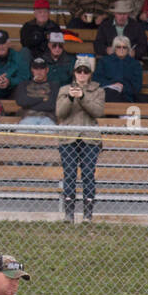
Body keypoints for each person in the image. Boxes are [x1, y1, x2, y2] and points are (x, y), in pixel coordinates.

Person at [56, 55, 106, 222]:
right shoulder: (64, 89)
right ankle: (69, 213)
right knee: (69, 174)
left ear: (90, 73)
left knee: (88, 175)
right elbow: (60, 113)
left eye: (85, 71)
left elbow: (98, 111)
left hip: (90, 138)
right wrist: (70, 98)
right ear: (74, 72)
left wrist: (82, 97)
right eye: (79, 71)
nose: (82, 74)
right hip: (68, 138)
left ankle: (87, 214)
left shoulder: (99, 90)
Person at [94, 36, 143, 102]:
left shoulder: (135, 64)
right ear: (114, 48)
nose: (121, 49)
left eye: (124, 47)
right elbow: (96, 80)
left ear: (128, 49)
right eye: (118, 47)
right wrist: (112, 84)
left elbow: (137, 86)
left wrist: (123, 87)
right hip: (107, 95)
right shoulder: (104, 61)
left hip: (127, 96)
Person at [15, 57, 60, 125]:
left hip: (47, 118)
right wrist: (42, 98)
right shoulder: (23, 84)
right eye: (36, 69)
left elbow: (51, 105)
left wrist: (29, 103)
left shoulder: (54, 85)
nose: (39, 72)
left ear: (47, 70)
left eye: (42, 69)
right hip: (28, 117)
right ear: (32, 70)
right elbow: (21, 102)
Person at [0, 30, 26, 99]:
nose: (0, 46)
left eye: (3, 43)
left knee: (23, 88)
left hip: (12, 91)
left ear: (9, 43)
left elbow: (24, 77)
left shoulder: (18, 57)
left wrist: (10, 82)